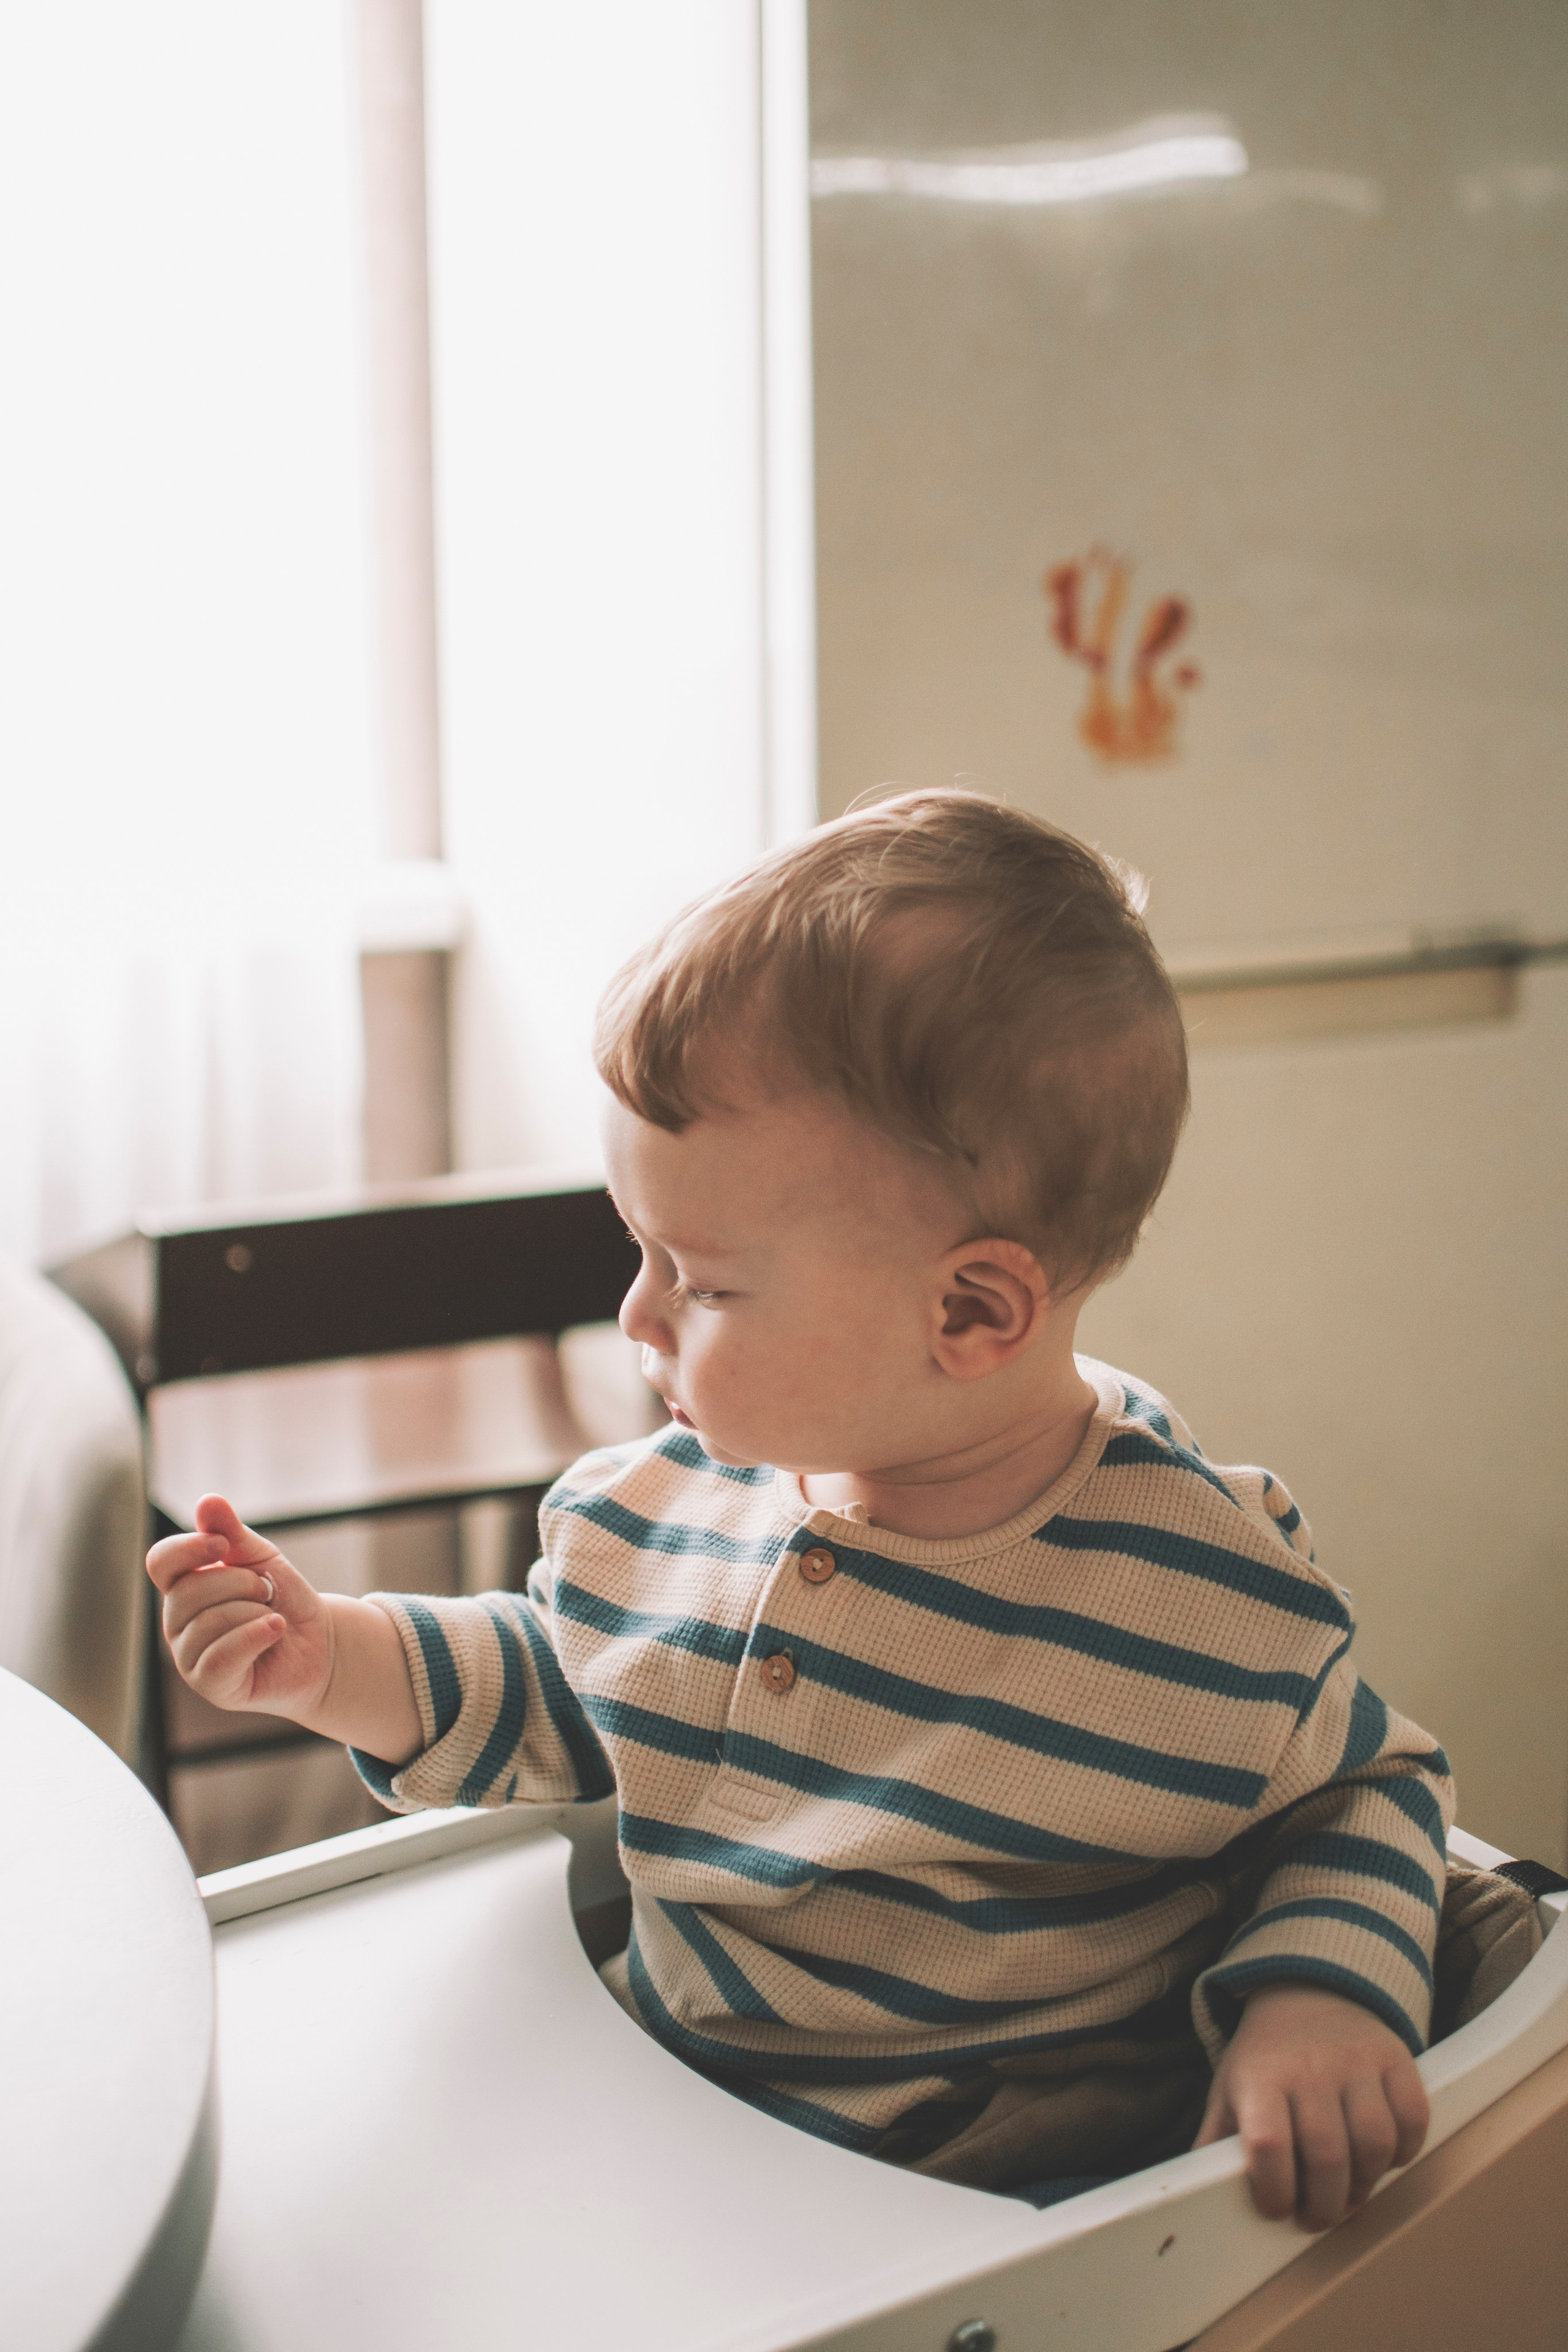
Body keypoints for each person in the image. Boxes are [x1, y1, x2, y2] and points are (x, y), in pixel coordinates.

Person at [147, 790, 1449, 2230]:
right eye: (638, 1249)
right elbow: (557, 1693)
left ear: (968, 1309)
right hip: (676, 2133)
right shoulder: (655, 1513)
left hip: (1012, 2209)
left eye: (701, 1281)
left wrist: (1315, 1997)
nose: (634, 1315)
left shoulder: (1193, 1595)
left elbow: (1364, 1797)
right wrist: (331, 1656)